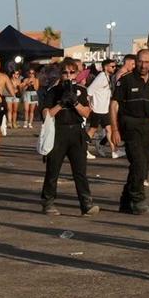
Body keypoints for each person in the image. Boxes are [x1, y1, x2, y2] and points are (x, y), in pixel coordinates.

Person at [39, 60, 99, 217]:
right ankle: (48, 202)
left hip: (76, 132)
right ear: (61, 74)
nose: (68, 76)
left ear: (77, 73)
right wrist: (60, 104)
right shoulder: (53, 91)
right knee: (53, 170)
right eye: (65, 72)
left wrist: (75, 103)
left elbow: (87, 113)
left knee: (80, 171)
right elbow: (46, 114)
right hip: (58, 132)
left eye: (72, 72)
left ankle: (86, 204)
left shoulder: (81, 90)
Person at [110, 47, 149, 213]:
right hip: (130, 124)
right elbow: (114, 105)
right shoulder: (125, 80)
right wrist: (114, 129)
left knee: (143, 163)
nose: (143, 65)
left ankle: (125, 201)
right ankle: (137, 198)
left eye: (147, 62)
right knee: (138, 162)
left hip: (147, 126)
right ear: (136, 61)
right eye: (140, 61)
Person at [86, 60, 115, 157]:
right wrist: (90, 105)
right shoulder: (101, 77)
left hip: (104, 109)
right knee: (92, 130)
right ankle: (84, 149)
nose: (114, 68)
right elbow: (89, 91)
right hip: (97, 109)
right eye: (112, 66)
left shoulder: (107, 77)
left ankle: (114, 150)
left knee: (109, 129)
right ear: (106, 67)